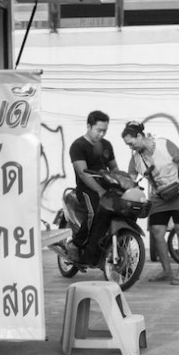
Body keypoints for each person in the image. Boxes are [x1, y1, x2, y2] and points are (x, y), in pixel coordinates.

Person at [121, 121, 179, 285]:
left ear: (139, 136)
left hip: (178, 192)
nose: (130, 147)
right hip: (158, 197)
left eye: (131, 143)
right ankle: (167, 270)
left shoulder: (164, 144)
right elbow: (130, 179)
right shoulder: (136, 160)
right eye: (127, 145)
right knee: (157, 232)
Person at [68, 109, 117, 256]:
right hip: (86, 189)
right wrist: (99, 191)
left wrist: (122, 183)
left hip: (106, 187)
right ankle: (76, 244)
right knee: (93, 213)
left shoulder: (107, 145)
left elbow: (114, 167)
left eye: (105, 131)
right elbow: (83, 173)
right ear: (89, 126)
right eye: (99, 130)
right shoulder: (78, 145)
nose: (101, 134)